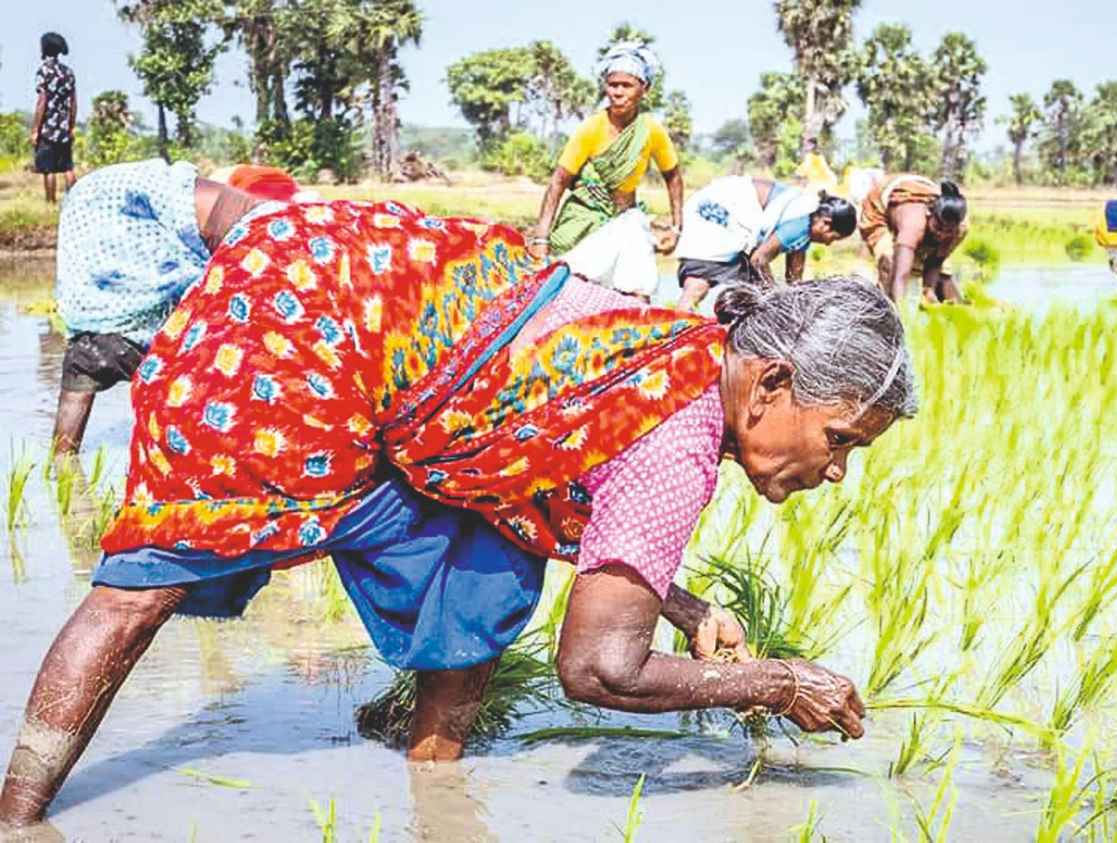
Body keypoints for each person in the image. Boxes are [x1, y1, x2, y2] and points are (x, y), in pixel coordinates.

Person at [0, 198, 916, 828]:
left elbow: (539, 474)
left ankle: (434, 793)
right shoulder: (678, 434)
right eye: (840, 439)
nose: (835, 471)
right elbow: (600, 669)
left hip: (335, 302)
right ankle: (20, 820)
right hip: (295, 331)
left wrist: (678, 604)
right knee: (144, 584)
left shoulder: (670, 353)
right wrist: (778, 681)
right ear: (773, 385)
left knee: (481, 567)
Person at [48, 161, 302, 455]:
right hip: (159, 334)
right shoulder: (197, 206)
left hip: (98, 329)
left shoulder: (88, 340)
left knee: (65, 448)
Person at [528, 42, 684, 265]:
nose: (618, 93)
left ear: (645, 89)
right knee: (570, 279)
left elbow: (673, 177)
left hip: (625, 220)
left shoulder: (651, 131)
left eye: (626, 86)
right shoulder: (591, 128)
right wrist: (541, 238)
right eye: (613, 85)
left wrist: (676, 227)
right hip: (583, 219)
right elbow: (558, 182)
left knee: (637, 288)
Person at [675, 177, 857, 310]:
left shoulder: (806, 223)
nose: (828, 244)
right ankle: (677, 331)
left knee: (753, 286)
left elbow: (794, 280)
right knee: (701, 278)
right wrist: (775, 296)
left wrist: (794, 302)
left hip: (730, 217)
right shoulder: (801, 223)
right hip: (719, 212)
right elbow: (758, 259)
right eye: (833, 237)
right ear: (825, 223)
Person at [858, 175, 968, 303]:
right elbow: (900, 276)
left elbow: (936, 261)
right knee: (889, 263)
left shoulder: (960, 229)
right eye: (938, 227)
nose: (942, 234)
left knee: (943, 277)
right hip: (879, 208)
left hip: (920, 201)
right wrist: (898, 311)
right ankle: (881, 309)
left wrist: (929, 290)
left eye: (948, 231)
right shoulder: (913, 225)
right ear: (929, 213)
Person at [31, 32, 76, 204]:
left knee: (48, 169)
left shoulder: (43, 71)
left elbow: (42, 101)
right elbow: (74, 102)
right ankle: (74, 201)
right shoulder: (68, 73)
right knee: (67, 167)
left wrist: (36, 129)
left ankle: (50, 204)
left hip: (48, 128)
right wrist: (71, 126)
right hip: (64, 127)